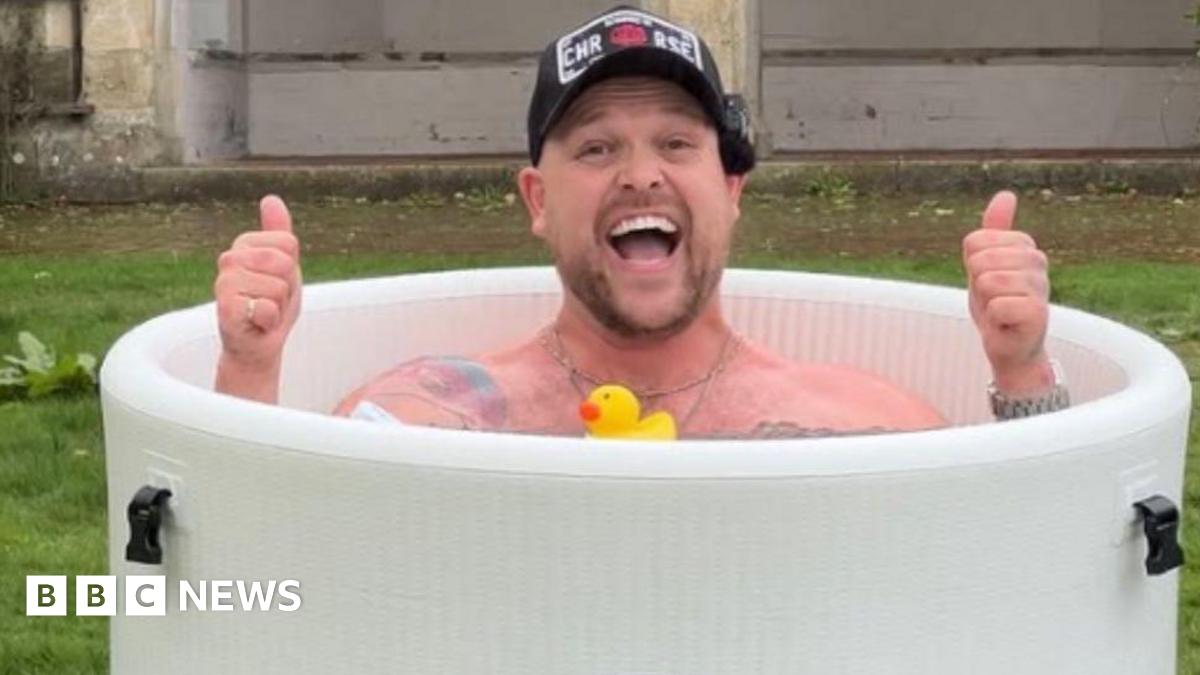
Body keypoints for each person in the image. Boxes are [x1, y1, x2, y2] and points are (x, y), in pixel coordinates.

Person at [212, 6, 1067, 439]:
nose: (641, 173)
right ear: (538, 202)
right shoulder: (438, 412)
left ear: (731, 188)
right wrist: (250, 372)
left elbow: (1020, 563)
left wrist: (1023, 372)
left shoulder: (860, 420)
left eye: (675, 142)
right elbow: (266, 576)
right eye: (595, 149)